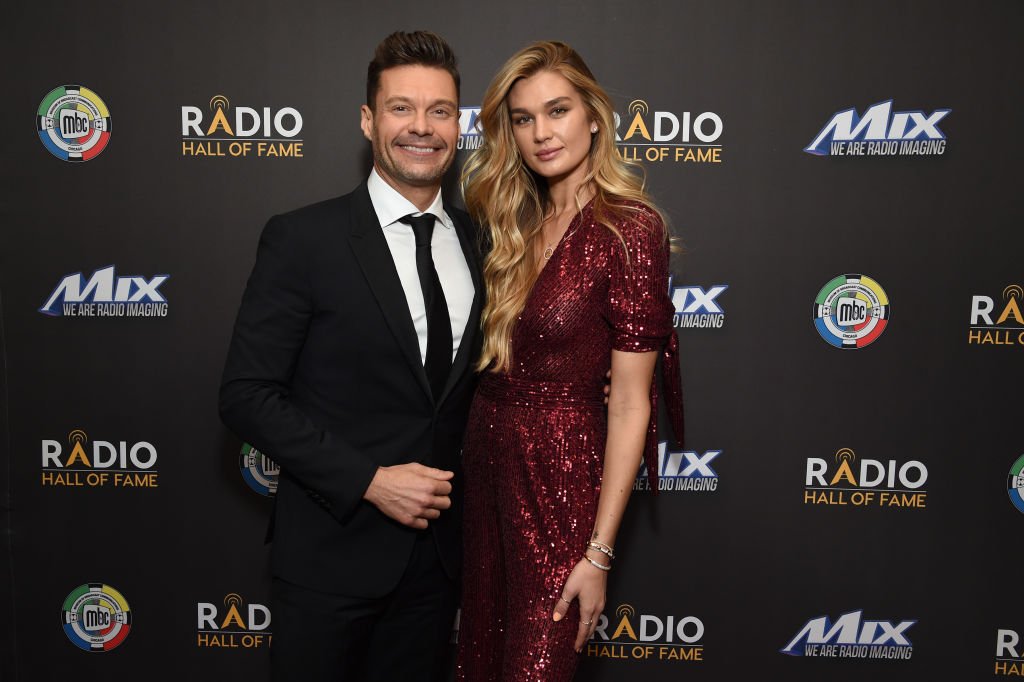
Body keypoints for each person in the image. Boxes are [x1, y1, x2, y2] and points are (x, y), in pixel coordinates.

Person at [219, 31, 481, 682]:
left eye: (440, 111)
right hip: (329, 560)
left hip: (438, 568)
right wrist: (369, 480)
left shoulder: (485, 239)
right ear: (369, 120)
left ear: (460, 123)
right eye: (401, 108)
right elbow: (247, 394)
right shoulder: (303, 238)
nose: (421, 127)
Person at [455, 41, 684, 681]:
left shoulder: (629, 228)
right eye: (523, 119)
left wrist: (600, 552)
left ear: (593, 117)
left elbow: (633, 400)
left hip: (559, 479)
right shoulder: (511, 220)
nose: (541, 133)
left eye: (557, 110)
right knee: (479, 660)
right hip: (488, 465)